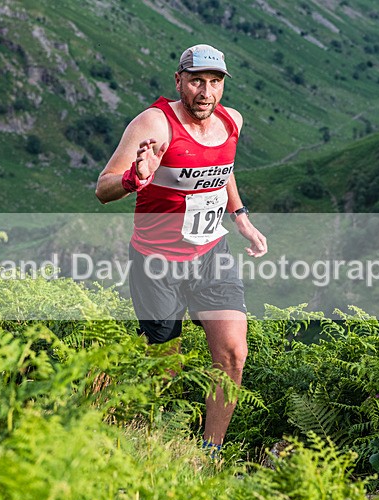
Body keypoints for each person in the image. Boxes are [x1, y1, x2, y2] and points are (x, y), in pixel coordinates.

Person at [96, 44, 267, 449]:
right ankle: (148, 446)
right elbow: (103, 188)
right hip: (157, 264)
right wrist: (134, 180)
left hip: (211, 255)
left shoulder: (232, 122)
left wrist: (240, 216)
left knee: (232, 355)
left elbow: (222, 170)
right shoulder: (154, 124)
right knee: (164, 371)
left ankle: (210, 454)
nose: (205, 92)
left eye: (214, 82)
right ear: (179, 81)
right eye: (196, 81)